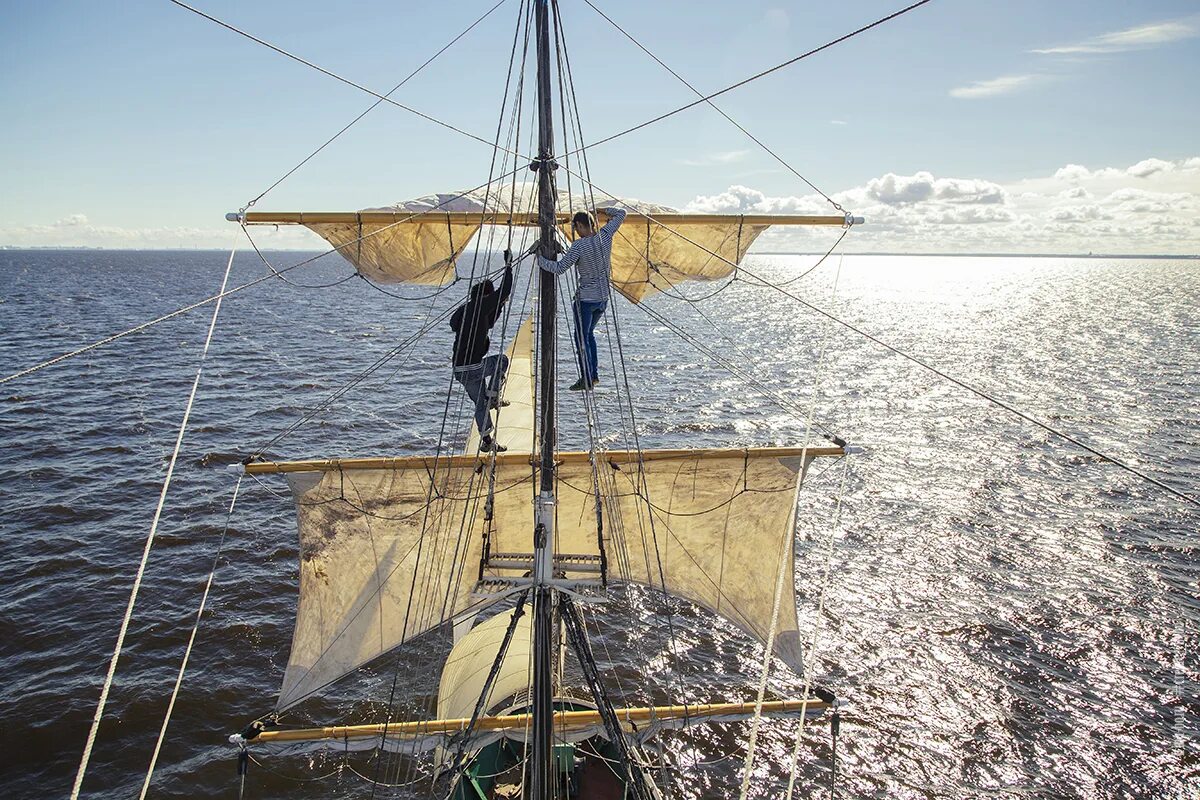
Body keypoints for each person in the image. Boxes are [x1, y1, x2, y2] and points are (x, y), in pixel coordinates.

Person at [535, 206, 626, 390]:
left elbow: (559, 268)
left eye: (575, 228)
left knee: (581, 339)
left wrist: (540, 259)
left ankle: (587, 378)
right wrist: (601, 210)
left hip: (585, 300)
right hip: (602, 299)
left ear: (579, 225)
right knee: (589, 335)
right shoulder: (606, 235)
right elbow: (622, 213)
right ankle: (593, 375)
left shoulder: (578, 246)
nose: (575, 231)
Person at [451, 251, 515, 452]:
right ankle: (494, 395)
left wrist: (497, 308)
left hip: (460, 371)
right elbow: (504, 291)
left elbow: (456, 324)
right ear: (486, 295)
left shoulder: (466, 309)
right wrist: (508, 266)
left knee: (481, 404)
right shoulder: (481, 303)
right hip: (474, 366)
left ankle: (487, 441)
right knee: (501, 361)